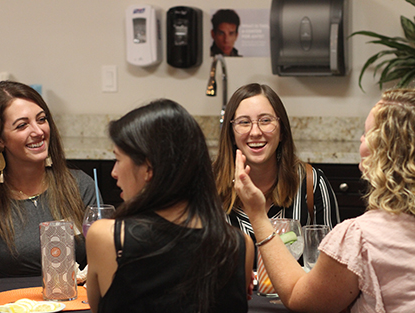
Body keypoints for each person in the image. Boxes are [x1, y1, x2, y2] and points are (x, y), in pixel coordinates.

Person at [235, 88, 415, 312]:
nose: (255, 131)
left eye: (367, 134)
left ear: (386, 152)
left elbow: (300, 299)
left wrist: (258, 215)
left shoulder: (359, 239)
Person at [86, 99, 254, 313]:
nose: (114, 173)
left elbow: (97, 307)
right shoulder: (240, 245)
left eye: (118, 159)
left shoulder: (107, 237)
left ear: (148, 168)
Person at [0, 81, 99, 279]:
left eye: (41, 119)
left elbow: (105, 266)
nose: (38, 131)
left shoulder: (81, 186)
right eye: (22, 125)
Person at [213, 83, 340, 249]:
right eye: (244, 122)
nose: (255, 132)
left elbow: (334, 262)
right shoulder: (209, 184)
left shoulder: (311, 183)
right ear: (231, 134)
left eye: (265, 120)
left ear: (282, 131)